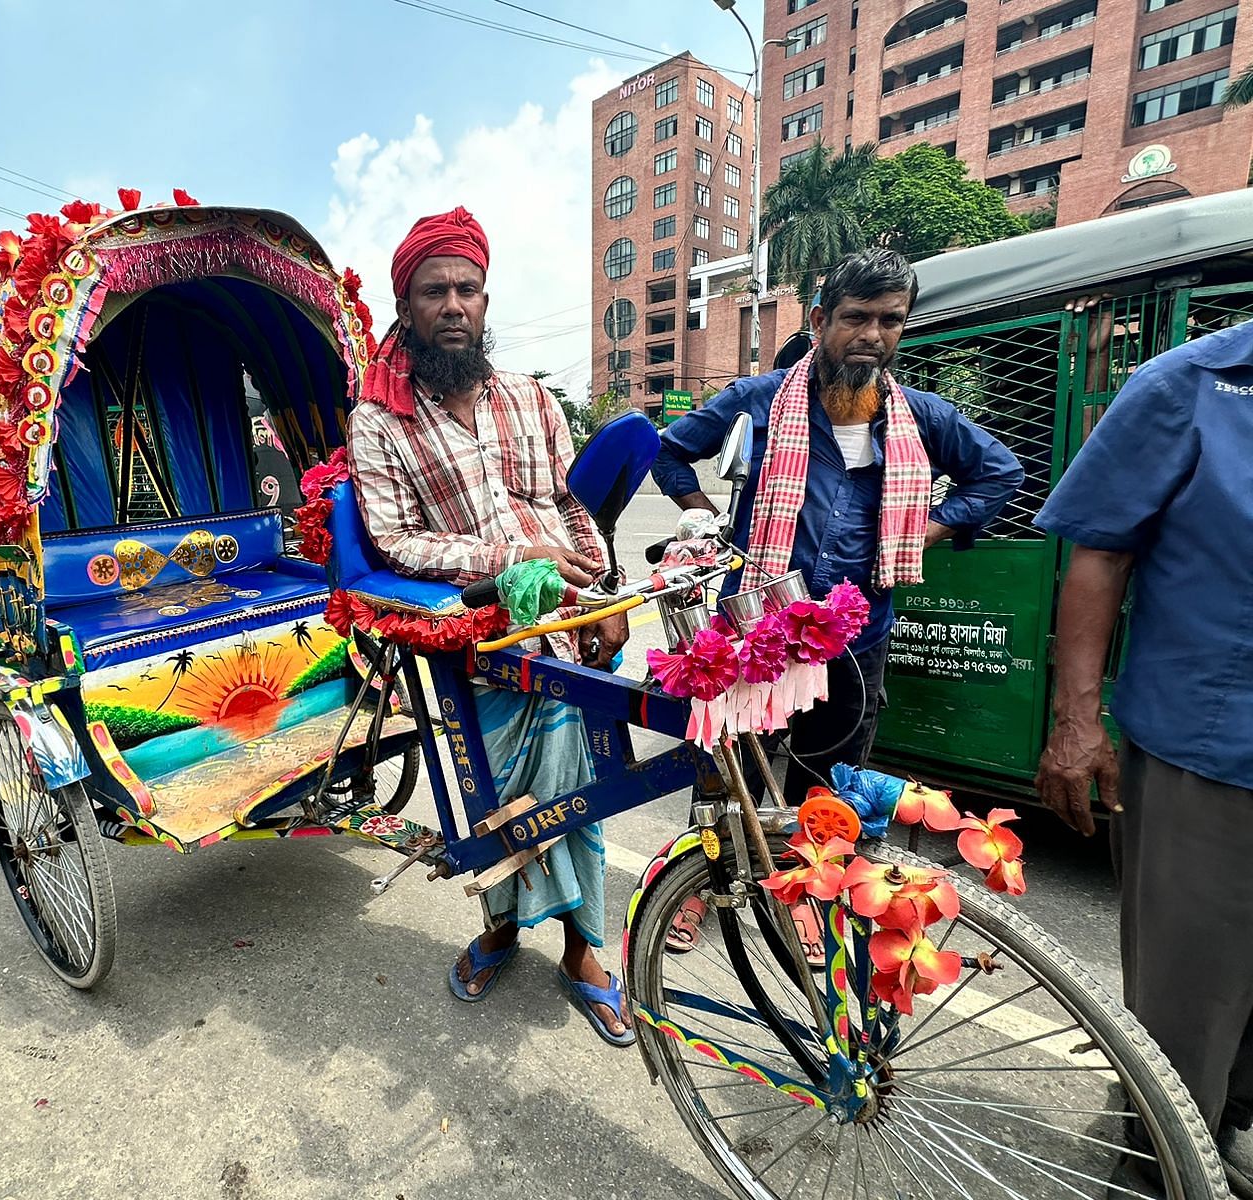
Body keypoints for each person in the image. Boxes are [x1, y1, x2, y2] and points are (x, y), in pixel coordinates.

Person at [347, 206, 635, 1047]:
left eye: (467, 288)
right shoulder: (381, 421)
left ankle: (586, 951)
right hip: (475, 640)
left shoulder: (533, 399)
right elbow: (394, 540)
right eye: (434, 290)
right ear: (407, 307)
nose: (453, 304)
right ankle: (505, 932)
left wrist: (603, 600)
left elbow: (569, 507)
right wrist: (500, 565)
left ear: (484, 298)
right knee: (491, 799)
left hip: (565, 632)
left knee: (584, 789)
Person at [653, 248, 1023, 806]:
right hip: (755, 632)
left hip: (857, 641)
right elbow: (668, 453)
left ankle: (806, 896)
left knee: (827, 807)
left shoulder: (922, 417)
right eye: (856, 317)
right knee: (731, 803)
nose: (873, 334)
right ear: (821, 320)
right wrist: (711, 521)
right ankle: (717, 892)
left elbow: (998, 474)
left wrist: (929, 529)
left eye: (890, 320)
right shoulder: (757, 400)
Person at [1035, 315, 1253, 1197]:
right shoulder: (1189, 385)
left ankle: (1222, 1136)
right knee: (1187, 1012)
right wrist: (1077, 723)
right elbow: (1098, 556)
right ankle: (1158, 1166)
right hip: (1215, 754)